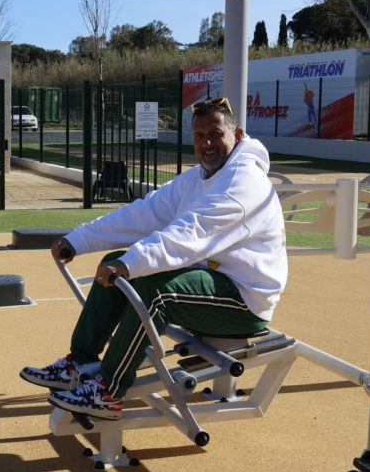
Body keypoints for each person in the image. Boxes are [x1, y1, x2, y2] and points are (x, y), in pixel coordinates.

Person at [19, 96, 288, 420]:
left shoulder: (243, 182)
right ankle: (80, 362)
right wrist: (80, 239)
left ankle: (108, 391)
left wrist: (131, 264)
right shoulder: (199, 177)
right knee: (122, 260)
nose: (207, 144)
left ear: (238, 135)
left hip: (245, 299)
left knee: (154, 290)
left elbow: (190, 234)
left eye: (216, 134)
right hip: (211, 278)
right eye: (200, 136)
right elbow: (146, 212)